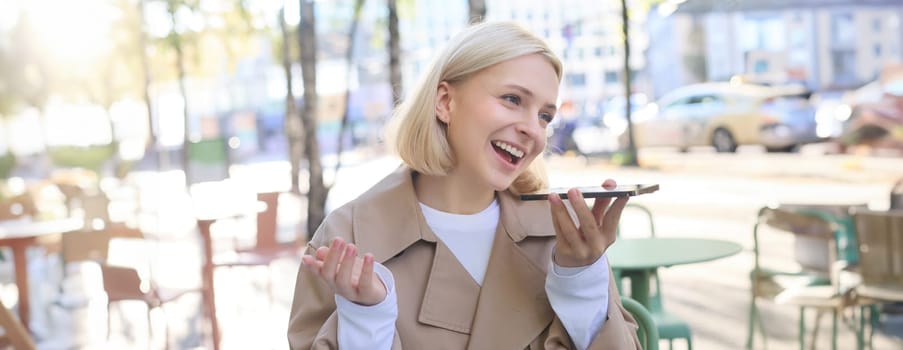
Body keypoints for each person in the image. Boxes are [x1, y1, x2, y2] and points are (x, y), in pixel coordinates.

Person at [287, 21, 640, 349]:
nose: (534, 129)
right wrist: (366, 320)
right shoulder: (346, 239)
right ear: (445, 102)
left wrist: (581, 284)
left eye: (545, 116)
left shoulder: (560, 236)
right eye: (513, 99)